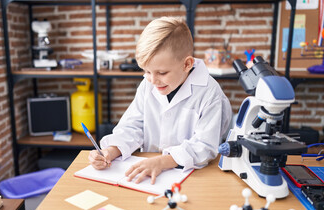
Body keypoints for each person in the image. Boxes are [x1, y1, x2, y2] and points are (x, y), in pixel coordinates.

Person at [88, 16, 232, 184]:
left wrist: (162, 162)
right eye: (147, 71)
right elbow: (133, 126)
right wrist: (111, 151)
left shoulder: (210, 93)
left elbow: (205, 146)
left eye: (162, 73)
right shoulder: (147, 85)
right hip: (150, 175)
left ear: (187, 64)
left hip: (195, 176)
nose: (152, 80)